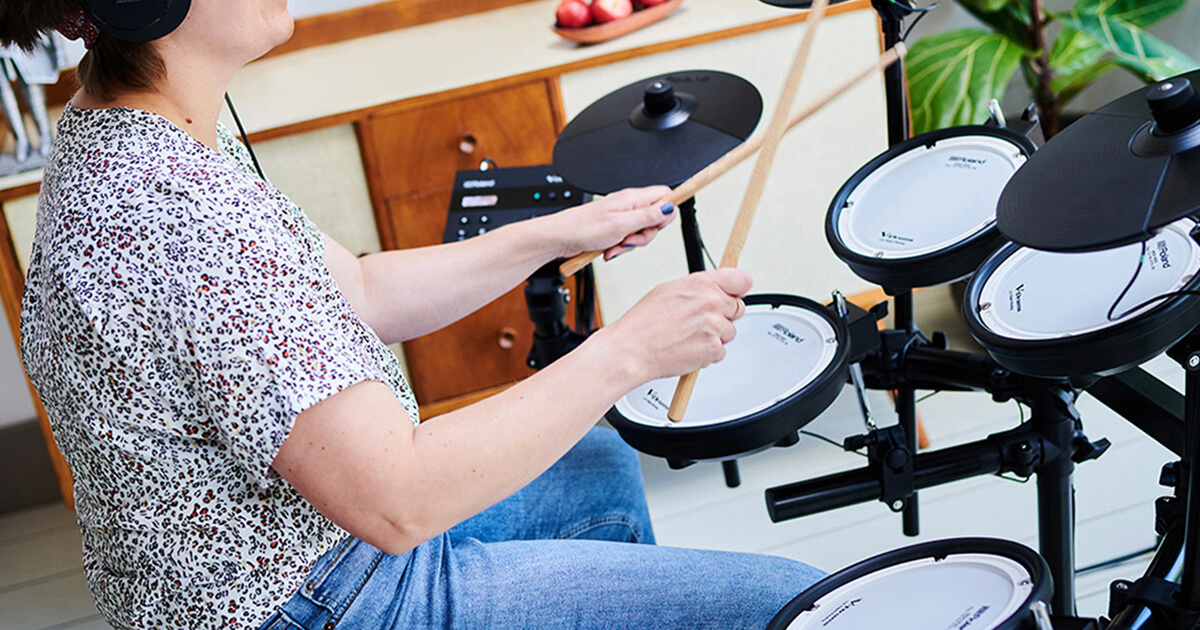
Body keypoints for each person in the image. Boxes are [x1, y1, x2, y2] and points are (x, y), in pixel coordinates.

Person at [5, 1, 826, 628]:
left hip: (291, 553)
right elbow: (400, 502)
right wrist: (629, 350)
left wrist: (556, 233)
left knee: (599, 471)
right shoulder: (182, 216)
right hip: (315, 602)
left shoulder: (128, 131)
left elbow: (360, 291)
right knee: (796, 603)